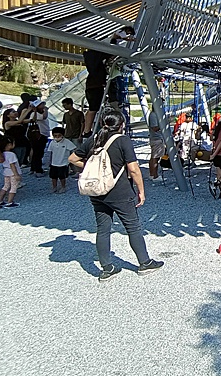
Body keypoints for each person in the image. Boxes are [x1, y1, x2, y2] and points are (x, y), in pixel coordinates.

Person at [68, 109, 164, 281]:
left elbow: (73, 158)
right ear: (122, 124)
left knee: (103, 229)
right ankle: (144, 262)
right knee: (133, 227)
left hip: (98, 192)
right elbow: (133, 169)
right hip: (120, 192)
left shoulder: (95, 139)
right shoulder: (123, 141)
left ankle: (106, 268)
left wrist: (92, 169)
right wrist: (141, 191)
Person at [82, 48, 112, 137]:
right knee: (93, 109)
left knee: (92, 109)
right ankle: (87, 131)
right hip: (96, 86)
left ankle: (87, 130)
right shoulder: (96, 57)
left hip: (93, 86)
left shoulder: (91, 58)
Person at [0, 134, 22, 208]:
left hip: (6, 172)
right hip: (12, 173)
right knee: (13, 187)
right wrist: (16, 174)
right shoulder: (12, 154)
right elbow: (12, 165)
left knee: (5, 186)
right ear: (9, 145)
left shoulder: (2, 154)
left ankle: (0, 201)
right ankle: (10, 202)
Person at [48, 126, 76, 194]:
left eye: (59, 135)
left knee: (62, 176)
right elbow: (50, 152)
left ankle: (63, 187)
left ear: (63, 135)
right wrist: (50, 161)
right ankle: (54, 187)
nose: (57, 137)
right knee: (53, 176)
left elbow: (73, 149)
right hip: (54, 163)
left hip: (63, 163)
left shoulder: (67, 142)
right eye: (55, 136)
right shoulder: (52, 142)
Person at [28, 99, 51, 177]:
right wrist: (46, 110)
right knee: (38, 153)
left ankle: (33, 168)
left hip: (42, 134)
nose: (43, 106)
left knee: (37, 152)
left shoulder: (38, 113)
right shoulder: (35, 114)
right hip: (39, 135)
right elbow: (44, 117)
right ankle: (38, 170)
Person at [147, 111, 166, 183]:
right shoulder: (153, 115)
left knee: (153, 157)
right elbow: (154, 128)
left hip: (156, 138)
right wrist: (163, 124)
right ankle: (155, 176)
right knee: (155, 157)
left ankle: (152, 174)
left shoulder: (154, 114)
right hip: (157, 139)